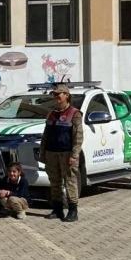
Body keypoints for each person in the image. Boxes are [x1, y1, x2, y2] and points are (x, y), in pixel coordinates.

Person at [39, 84, 83, 222]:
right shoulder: (51, 113)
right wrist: (42, 152)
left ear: (66, 95)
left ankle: (72, 210)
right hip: (52, 153)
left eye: (59, 94)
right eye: (54, 94)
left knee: (70, 181)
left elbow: (78, 137)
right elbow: (45, 135)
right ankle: (57, 209)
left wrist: (74, 155)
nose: (56, 97)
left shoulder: (74, 113)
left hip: (66, 153)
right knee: (55, 182)